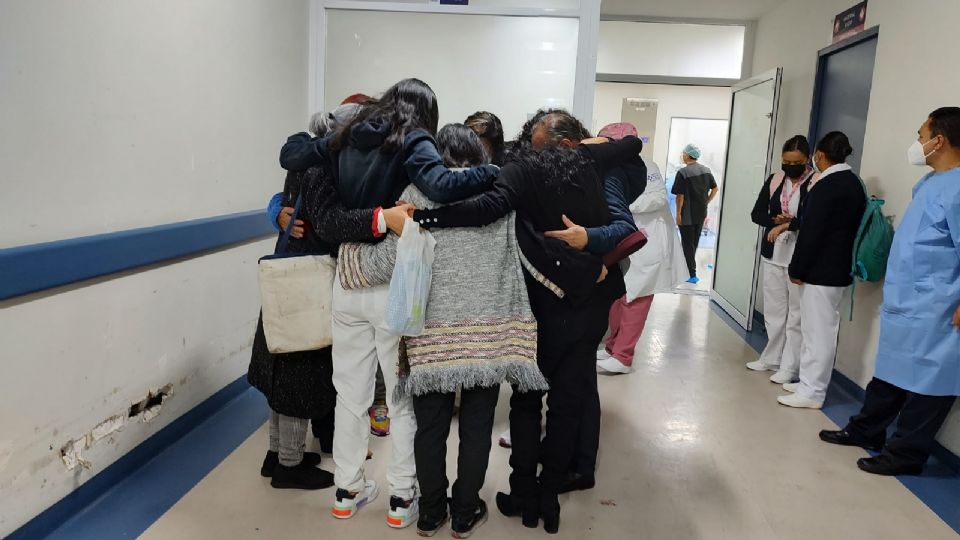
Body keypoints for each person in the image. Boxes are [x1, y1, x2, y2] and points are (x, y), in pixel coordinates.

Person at [411, 110, 641, 534]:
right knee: (566, 402)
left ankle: (522, 495)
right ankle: (546, 499)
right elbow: (631, 150)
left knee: (527, 401)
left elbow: (501, 218)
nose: (533, 152)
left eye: (538, 145)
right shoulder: (593, 164)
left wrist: (425, 217)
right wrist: (589, 264)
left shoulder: (524, 173)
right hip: (585, 300)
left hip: (538, 307)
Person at [336, 123, 548, 537]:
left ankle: (432, 512)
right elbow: (526, 254)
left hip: (431, 336)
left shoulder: (417, 196)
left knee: (430, 427)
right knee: (476, 426)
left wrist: (346, 259)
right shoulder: (500, 199)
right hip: (488, 333)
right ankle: (465, 512)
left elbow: (386, 263)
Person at [327, 78, 500, 528]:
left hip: (347, 281)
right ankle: (402, 498)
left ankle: (346, 490)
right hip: (395, 288)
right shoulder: (411, 156)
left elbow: (324, 214)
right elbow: (438, 193)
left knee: (349, 393)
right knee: (402, 397)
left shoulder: (344, 146)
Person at [247, 109, 411, 491]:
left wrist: (277, 211)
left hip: (289, 277)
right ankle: (288, 463)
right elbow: (328, 223)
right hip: (309, 280)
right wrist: (380, 219)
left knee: (283, 366)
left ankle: (277, 455)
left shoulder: (303, 160)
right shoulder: (321, 166)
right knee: (298, 375)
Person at [819, 107, 960, 475]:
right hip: (910, 301)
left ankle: (906, 455)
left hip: (939, 305)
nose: (917, 143)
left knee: (929, 382)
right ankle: (867, 430)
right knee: (891, 372)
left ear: (939, 140)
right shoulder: (931, 183)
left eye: (921, 135)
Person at [265, 98, 392, 444]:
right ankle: (305, 448)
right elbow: (322, 215)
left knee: (333, 359)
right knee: (311, 360)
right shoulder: (319, 156)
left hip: (333, 270)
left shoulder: (360, 159)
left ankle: (325, 435)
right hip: (315, 271)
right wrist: (275, 210)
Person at [778, 132, 866, 409]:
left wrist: (797, 267)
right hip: (832, 269)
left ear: (819, 155)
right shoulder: (851, 182)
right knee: (815, 329)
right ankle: (807, 382)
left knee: (819, 333)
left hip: (823, 271)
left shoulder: (828, 186)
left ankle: (813, 391)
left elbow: (812, 233)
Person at [597, 122, 689, 375]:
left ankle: (623, 357)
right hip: (624, 242)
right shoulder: (609, 166)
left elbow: (658, 198)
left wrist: (620, 204)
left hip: (648, 242)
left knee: (636, 299)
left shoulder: (647, 166)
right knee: (619, 296)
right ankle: (612, 347)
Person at [746, 136, 817, 384]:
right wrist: (775, 221)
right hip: (774, 253)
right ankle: (771, 357)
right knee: (775, 312)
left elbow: (814, 220)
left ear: (807, 160)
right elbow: (757, 213)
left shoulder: (815, 182)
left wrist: (791, 223)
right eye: (786, 161)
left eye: (796, 162)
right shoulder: (776, 180)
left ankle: (790, 366)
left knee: (796, 315)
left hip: (799, 255)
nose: (790, 166)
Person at [672, 143, 718, 284]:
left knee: (687, 244)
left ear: (687, 155)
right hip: (701, 212)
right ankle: (687, 270)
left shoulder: (683, 173)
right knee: (694, 243)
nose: (682, 155)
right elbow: (715, 189)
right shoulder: (706, 170)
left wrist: (678, 214)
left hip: (687, 213)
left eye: (683, 153)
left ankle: (691, 274)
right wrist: (706, 201)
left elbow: (680, 196)